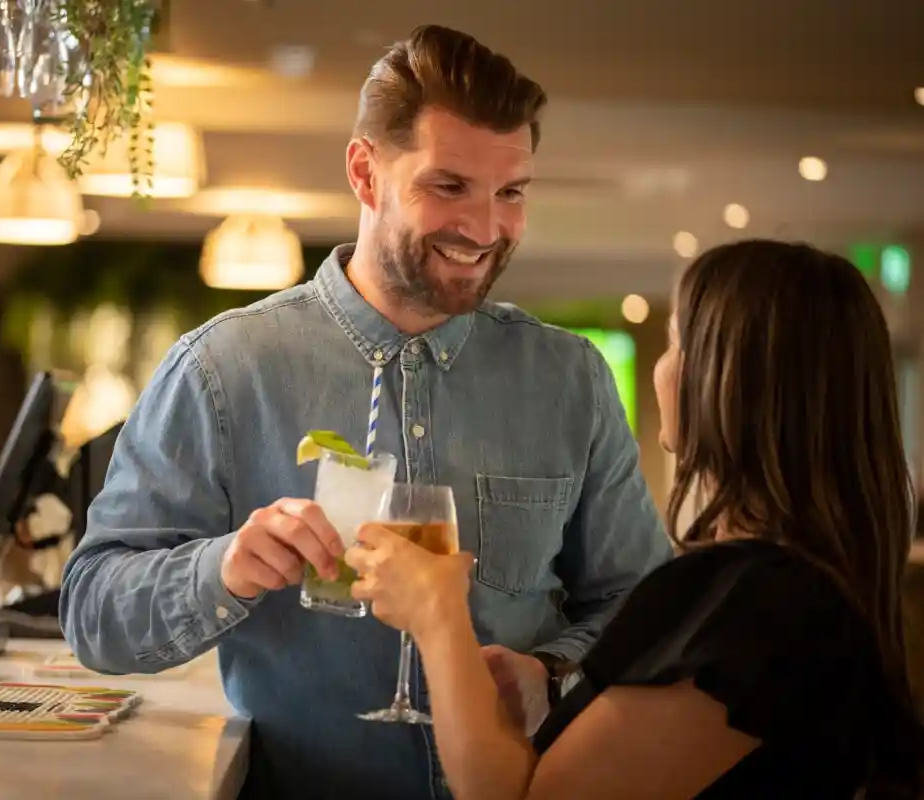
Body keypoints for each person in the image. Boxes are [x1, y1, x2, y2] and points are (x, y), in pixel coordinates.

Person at [58, 24, 671, 800]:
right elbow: (94, 611)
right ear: (364, 172)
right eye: (448, 186)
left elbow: (645, 609)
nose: (485, 229)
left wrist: (553, 671)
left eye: (510, 193)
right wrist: (224, 568)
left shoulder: (569, 380)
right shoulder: (224, 370)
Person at [347, 239, 924, 799]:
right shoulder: (796, 590)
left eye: (675, 343)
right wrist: (550, 688)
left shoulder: (755, 602)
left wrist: (439, 617)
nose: (663, 369)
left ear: (730, 384)